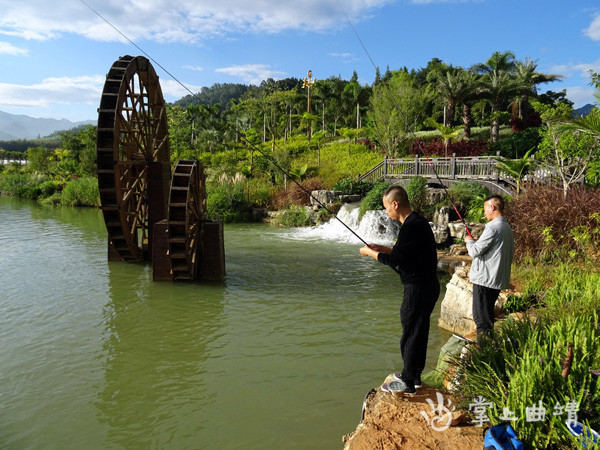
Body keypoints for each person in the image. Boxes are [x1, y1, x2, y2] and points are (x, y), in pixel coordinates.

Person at [359, 185, 439, 396]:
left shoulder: (412, 226)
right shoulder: (417, 223)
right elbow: (404, 253)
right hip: (426, 286)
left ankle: (408, 383)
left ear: (395, 204)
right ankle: (415, 376)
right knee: (418, 332)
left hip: (418, 288)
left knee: (411, 333)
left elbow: (394, 260)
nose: (386, 212)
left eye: (386, 207)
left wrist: (369, 253)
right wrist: (382, 248)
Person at [464, 194, 514, 336]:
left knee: (481, 319)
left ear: (492, 207)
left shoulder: (492, 228)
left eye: (485, 209)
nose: (485, 213)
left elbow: (474, 251)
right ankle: (490, 347)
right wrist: (478, 241)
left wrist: (469, 241)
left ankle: (485, 352)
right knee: (487, 317)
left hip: (485, 280)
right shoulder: (506, 228)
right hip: (496, 279)